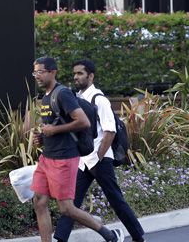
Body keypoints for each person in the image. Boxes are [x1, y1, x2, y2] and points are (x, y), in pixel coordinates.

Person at [25, 57, 123, 242]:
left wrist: (54, 130)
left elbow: (83, 121)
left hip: (64, 158)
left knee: (66, 208)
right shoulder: (46, 97)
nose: (36, 76)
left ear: (52, 72)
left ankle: (109, 235)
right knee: (39, 201)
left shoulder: (63, 94)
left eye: (40, 72)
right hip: (47, 158)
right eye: (34, 72)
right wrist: (44, 137)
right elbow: (57, 125)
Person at [53, 59, 145, 242]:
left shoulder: (99, 99)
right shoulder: (77, 99)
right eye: (74, 74)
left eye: (80, 73)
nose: (75, 77)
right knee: (71, 202)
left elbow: (109, 132)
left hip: (99, 159)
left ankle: (138, 237)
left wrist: (99, 156)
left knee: (116, 200)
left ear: (91, 76)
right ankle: (60, 239)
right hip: (83, 161)